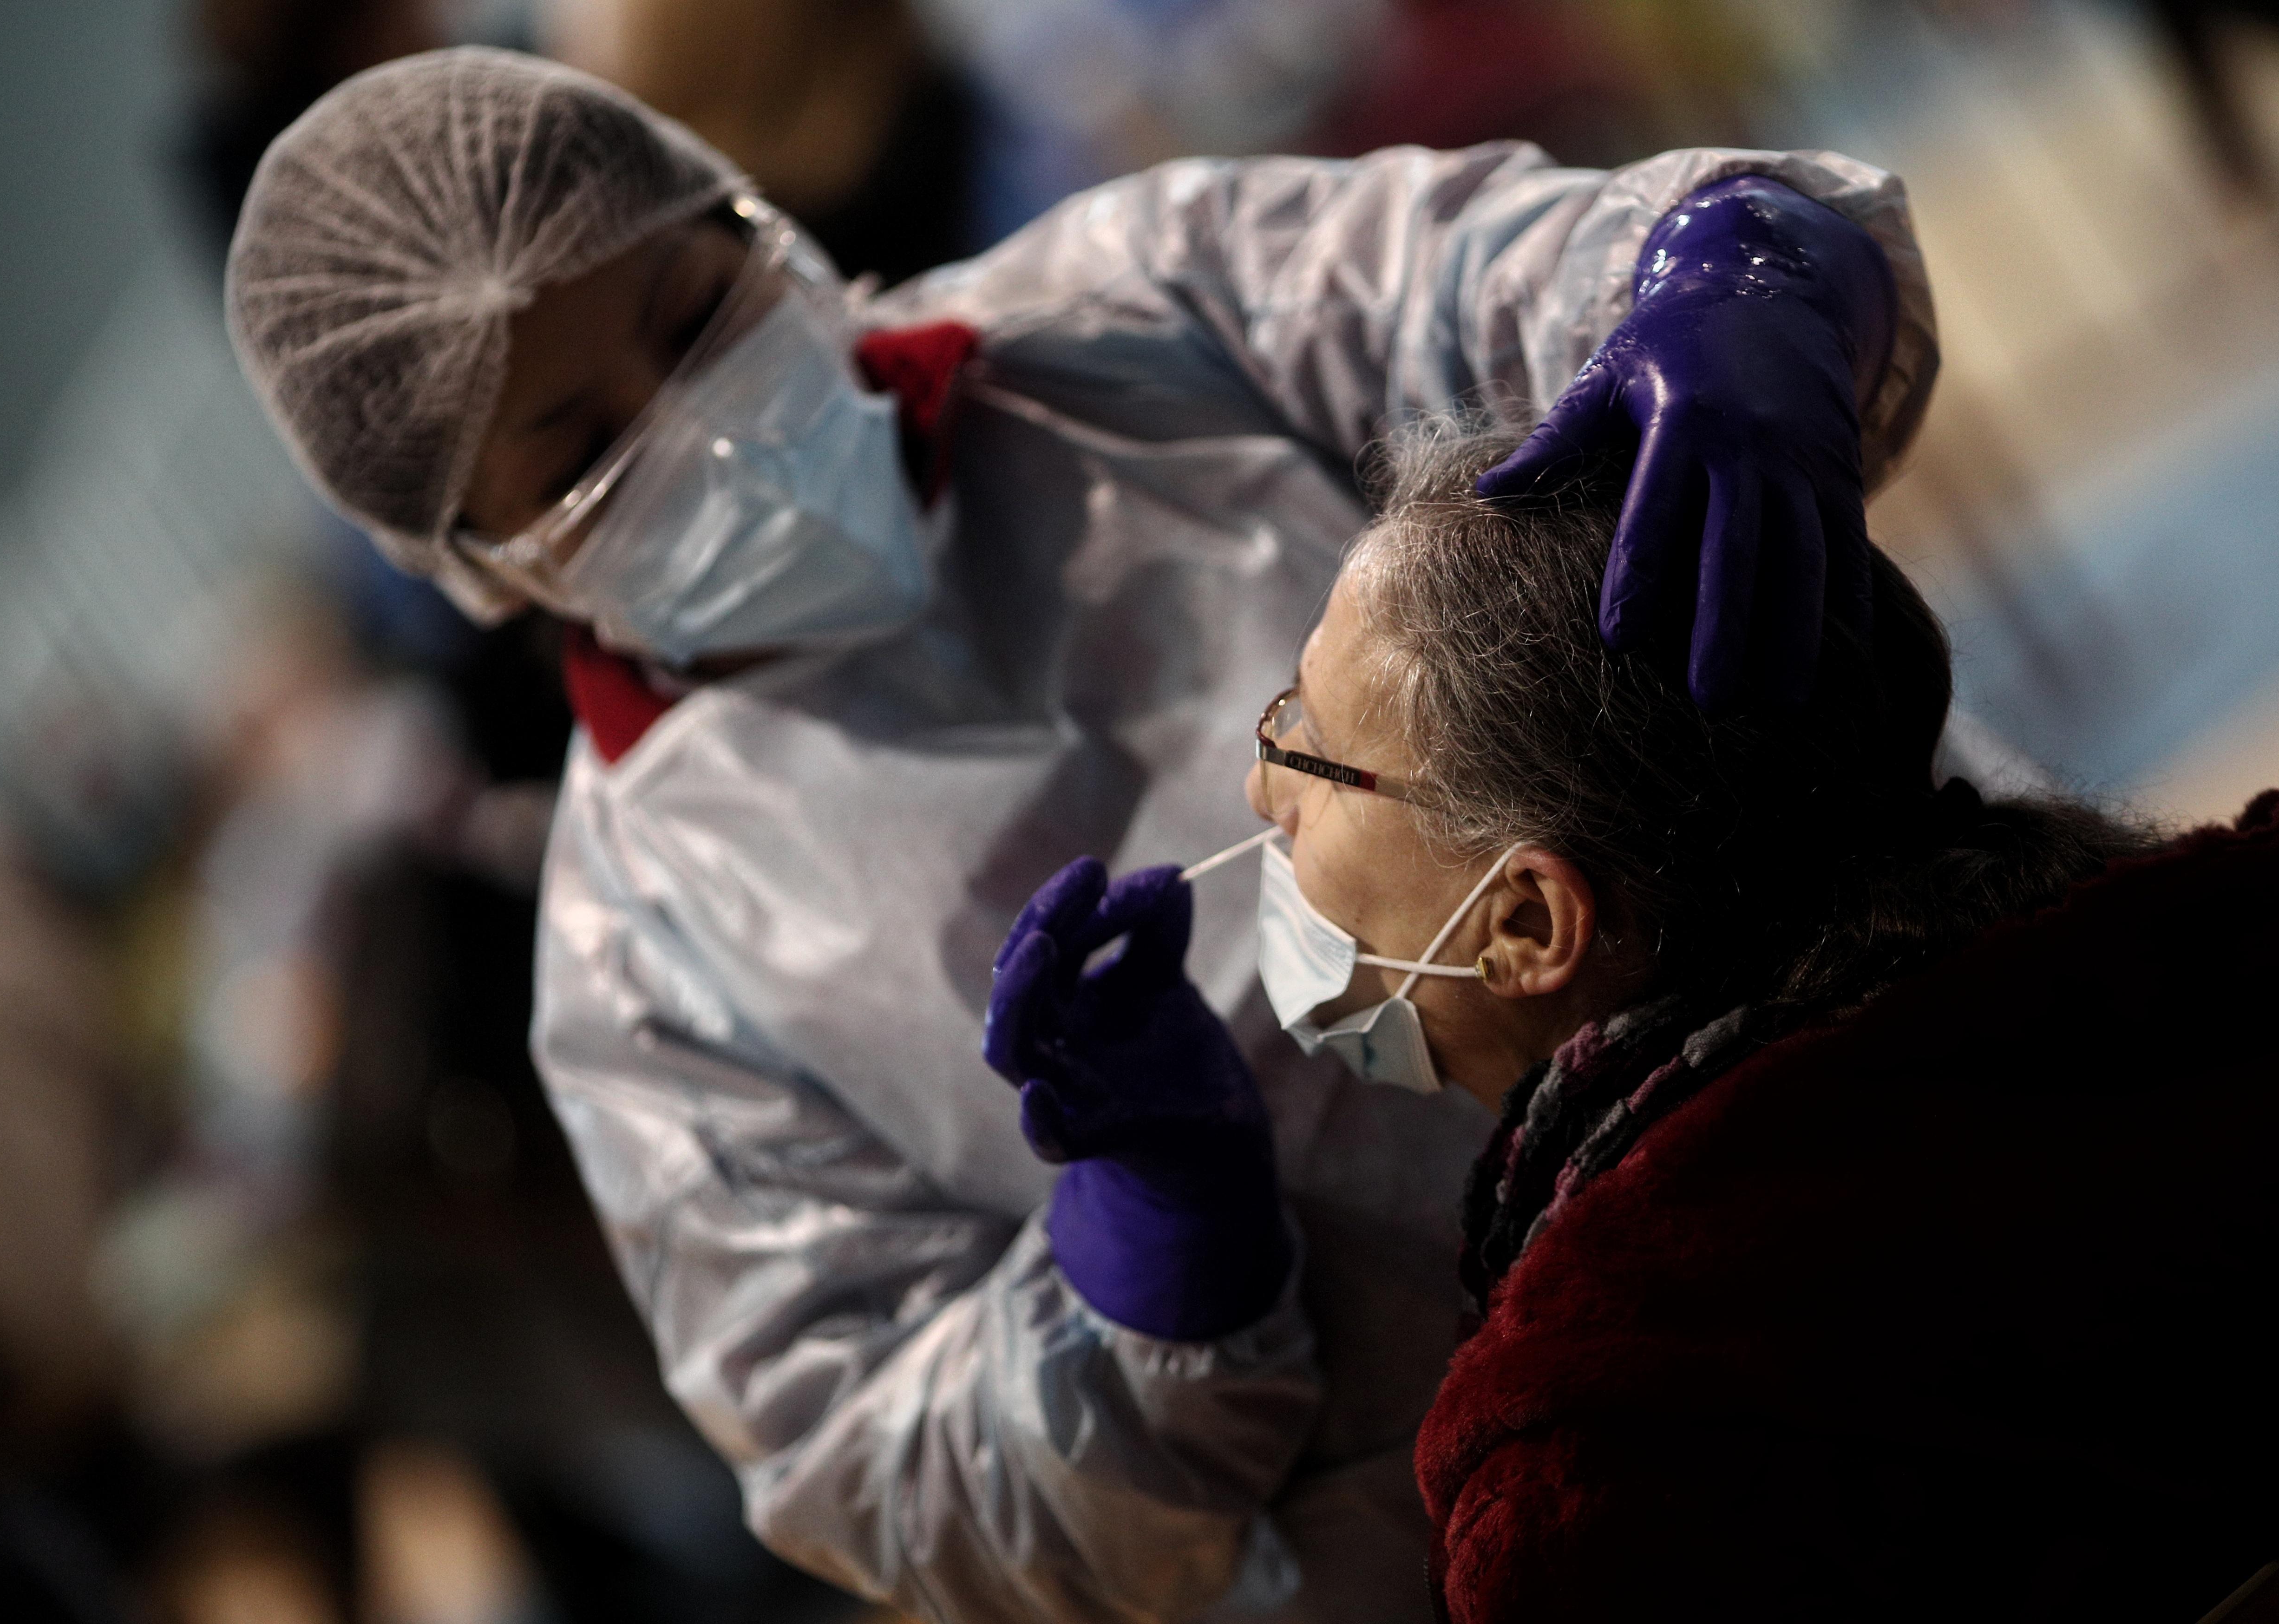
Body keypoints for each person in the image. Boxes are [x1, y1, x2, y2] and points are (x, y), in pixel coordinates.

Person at [224, 46, 1936, 1621]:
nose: (706, 428)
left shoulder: (1142, 311)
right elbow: (895, 1474)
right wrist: (1156, 1255)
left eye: (692, 317)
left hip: (1874, 1168)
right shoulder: (643, 976)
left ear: (751, 215)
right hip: (1500, 1553)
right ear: (474, 559)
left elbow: (1555, 261)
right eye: (585, 455)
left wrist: (1742, 291)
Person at [991, 413, 2279, 1621]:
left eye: (1312, 755)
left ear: (1525, 923)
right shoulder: (2243, 946)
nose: (1254, 790)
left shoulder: (1600, 1472)